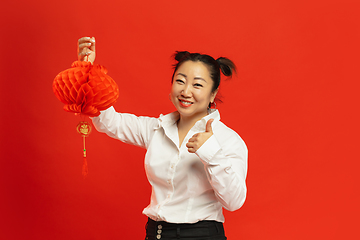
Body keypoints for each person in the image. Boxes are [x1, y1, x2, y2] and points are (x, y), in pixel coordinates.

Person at [78, 37, 248, 240]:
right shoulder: (156, 129)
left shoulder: (227, 140)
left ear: (213, 94)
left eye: (197, 85)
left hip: (201, 236)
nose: (186, 91)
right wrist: (87, 72)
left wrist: (211, 153)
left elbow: (234, 201)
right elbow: (111, 122)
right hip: (155, 234)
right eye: (180, 81)